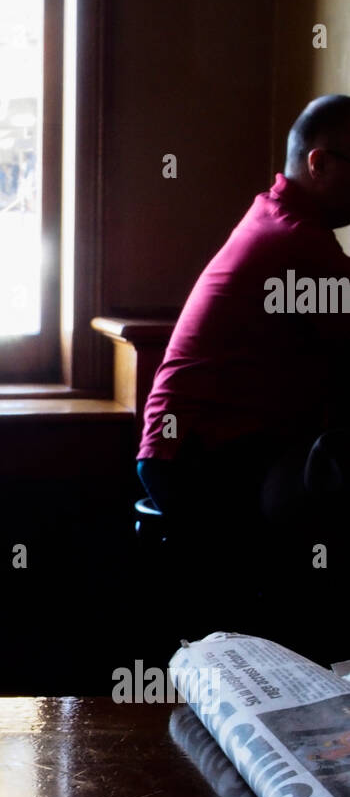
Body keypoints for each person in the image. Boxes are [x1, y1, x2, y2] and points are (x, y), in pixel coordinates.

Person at [138, 96, 350, 646]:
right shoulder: (299, 242)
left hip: (197, 450)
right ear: (320, 164)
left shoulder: (277, 217)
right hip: (200, 461)